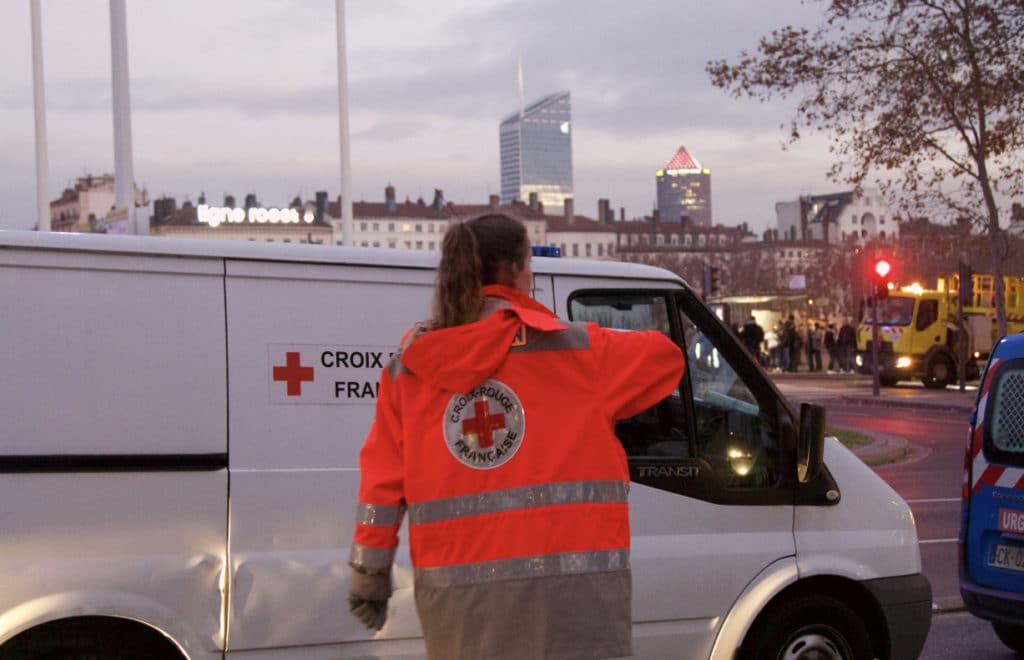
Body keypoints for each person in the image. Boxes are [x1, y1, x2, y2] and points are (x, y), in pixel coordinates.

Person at [348, 213, 686, 660]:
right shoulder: (580, 353)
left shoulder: (409, 368)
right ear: (514, 269)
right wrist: (579, 332)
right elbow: (667, 357)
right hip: (575, 604)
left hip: (460, 610)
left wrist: (369, 576)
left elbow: (381, 486)